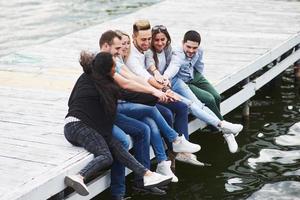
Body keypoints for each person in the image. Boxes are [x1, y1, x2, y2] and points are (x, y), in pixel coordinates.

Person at [98, 30, 201, 196]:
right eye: (118, 46)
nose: (122, 49)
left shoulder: (115, 59)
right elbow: (126, 84)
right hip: (112, 109)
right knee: (147, 115)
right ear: (106, 46)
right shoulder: (103, 63)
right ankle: (173, 142)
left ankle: (146, 177)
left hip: (123, 103)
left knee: (147, 127)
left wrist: (159, 89)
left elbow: (134, 79)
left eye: (124, 45)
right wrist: (156, 93)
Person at [63, 52, 173, 197]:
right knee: (106, 155)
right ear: (106, 70)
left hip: (89, 126)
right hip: (77, 126)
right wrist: (157, 96)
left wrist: (157, 97)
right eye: (114, 68)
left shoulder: (89, 77)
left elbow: (129, 95)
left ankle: (147, 174)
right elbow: (129, 94)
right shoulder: (104, 85)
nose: (116, 70)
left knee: (116, 146)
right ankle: (79, 176)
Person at [126, 20, 243, 154]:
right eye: (154, 40)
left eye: (161, 39)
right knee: (189, 105)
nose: (158, 42)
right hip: (160, 88)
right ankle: (222, 126)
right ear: (135, 37)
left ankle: (225, 130)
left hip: (173, 81)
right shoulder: (146, 52)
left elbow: (175, 64)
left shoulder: (168, 48)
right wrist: (161, 81)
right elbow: (148, 69)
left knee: (200, 103)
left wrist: (165, 77)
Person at [116, 30, 203, 166]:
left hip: (144, 94)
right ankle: (170, 153)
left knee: (181, 106)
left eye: (127, 44)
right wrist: (160, 91)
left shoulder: (131, 56)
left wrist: (162, 90)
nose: (126, 47)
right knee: (158, 118)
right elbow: (138, 80)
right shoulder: (124, 61)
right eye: (122, 45)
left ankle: (178, 151)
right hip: (134, 98)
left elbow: (140, 79)